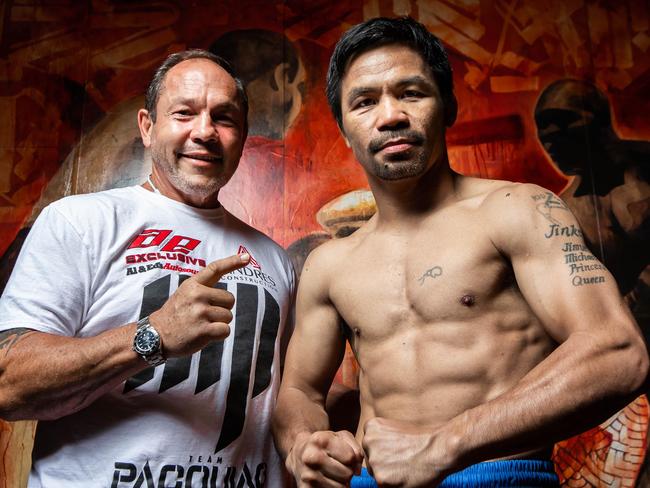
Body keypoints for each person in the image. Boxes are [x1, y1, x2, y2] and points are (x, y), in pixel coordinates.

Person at [271, 17, 648, 488]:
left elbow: (617, 352)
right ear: (345, 129)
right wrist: (303, 443)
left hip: (500, 474)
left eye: (410, 93)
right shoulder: (330, 264)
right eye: (364, 102)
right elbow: (299, 392)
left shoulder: (518, 209)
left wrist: (445, 444)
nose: (390, 116)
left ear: (447, 106)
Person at [0, 49, 296, 487]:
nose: (205, 132)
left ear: (243, 135)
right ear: (147, 127)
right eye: (184, 113)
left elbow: (288, 403)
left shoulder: (275, 261)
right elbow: (8, 382)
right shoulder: (81, 222)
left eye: (224, 118)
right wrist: (152, 335)